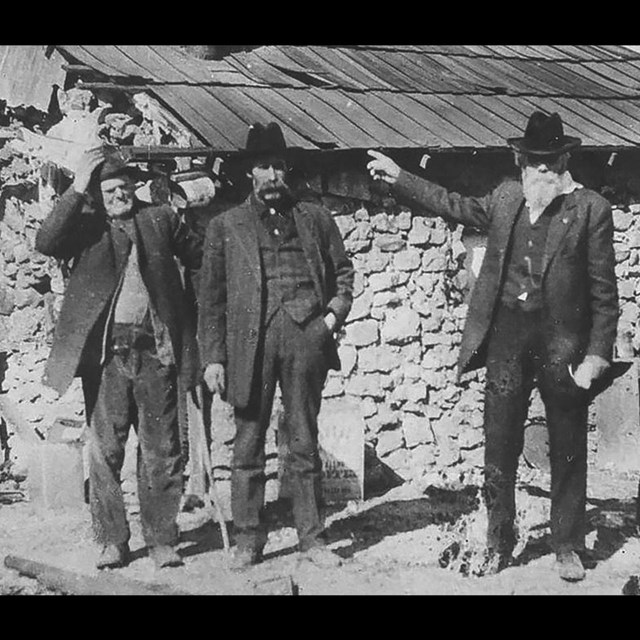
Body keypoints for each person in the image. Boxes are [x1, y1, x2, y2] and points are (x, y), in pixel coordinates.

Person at [367, 111, 619, 582]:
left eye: (551, 162)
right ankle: (499, 539)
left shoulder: (590, 209)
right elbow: (452, 204)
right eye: (534, 162)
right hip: (507, 337)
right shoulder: (507, 199)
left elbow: (606, 292)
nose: (542, 171)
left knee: (566, 444)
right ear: (520, 161)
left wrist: (596, 357)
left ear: (565, 160)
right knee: (499, 442)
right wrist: (400, 177)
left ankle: (567, 544)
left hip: (562, 344)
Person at [36, 148, 202, 570]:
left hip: (155, 349)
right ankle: (112, 540)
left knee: (162, 449)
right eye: (109, 190)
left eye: (124, 187)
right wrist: (76, 188)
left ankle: (163, 539)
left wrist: (192, 313)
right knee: (105, 450)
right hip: (107, 355)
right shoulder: (87, 227)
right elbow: (46, 242)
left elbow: (202, 258)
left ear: (135, 187)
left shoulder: (160, 218)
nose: (118, 195)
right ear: (98, 193)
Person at [198, 123, 354, 570]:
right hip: (251, 342)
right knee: (248, 442)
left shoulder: (315, 218)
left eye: (278, 166)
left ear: (287, 169)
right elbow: (210, 300)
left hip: (306, 337)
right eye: (263, 166)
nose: (272, 175)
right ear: (250, 171)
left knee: (304, 441)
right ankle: (249, 539)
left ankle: (313, 538)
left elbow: (344, 274)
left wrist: (329, 318)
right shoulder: (225, 226)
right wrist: (213, 357)